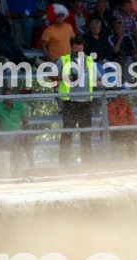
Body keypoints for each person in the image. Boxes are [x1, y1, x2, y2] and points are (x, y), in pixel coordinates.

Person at [54, 36, 101, 166]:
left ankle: (87, 163)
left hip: (86, 102)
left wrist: (100, 84)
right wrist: (65, 77)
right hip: (70, 103)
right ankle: (63, 164)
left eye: (80, 47)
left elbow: (98, 79)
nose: (78, 49)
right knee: (67, 134)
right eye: (75, 47)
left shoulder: (90, 61)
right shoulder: (64, 60)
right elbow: (50, 75)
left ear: (83, 48)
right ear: (72, 47)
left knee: (86, 135)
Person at [0, 87, 34, 168]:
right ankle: (17, 168)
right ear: (3, 97)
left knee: (28, 140)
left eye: (10, 96)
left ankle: (32, 166)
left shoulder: (20, 106)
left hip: (18, 134)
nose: (9, 98)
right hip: (4, 135)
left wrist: (25, 133)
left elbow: (25, 122)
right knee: (16, 142)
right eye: (6, 96)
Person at [108, 91, 137, 159]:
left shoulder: (128, 106)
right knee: (129, 138)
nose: (125, 97)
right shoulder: (112, 106)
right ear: (118, 96)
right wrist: (124, 128)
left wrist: (134, 129)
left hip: (128, 131)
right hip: (116, 132)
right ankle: (133, 160)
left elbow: (132, 120)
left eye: (126, 95)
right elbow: (113, 122)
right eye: (123, 95)